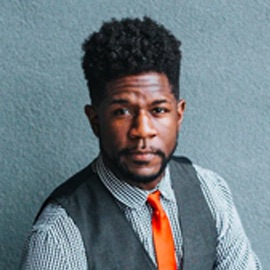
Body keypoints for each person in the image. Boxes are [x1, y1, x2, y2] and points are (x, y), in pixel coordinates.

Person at [20, 17, 261, 270]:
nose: (142, 130)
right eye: (122, 112)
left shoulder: (211, 191)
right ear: (95, 121)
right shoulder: (57, 234)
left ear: (178, 115)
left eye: (158, 110)